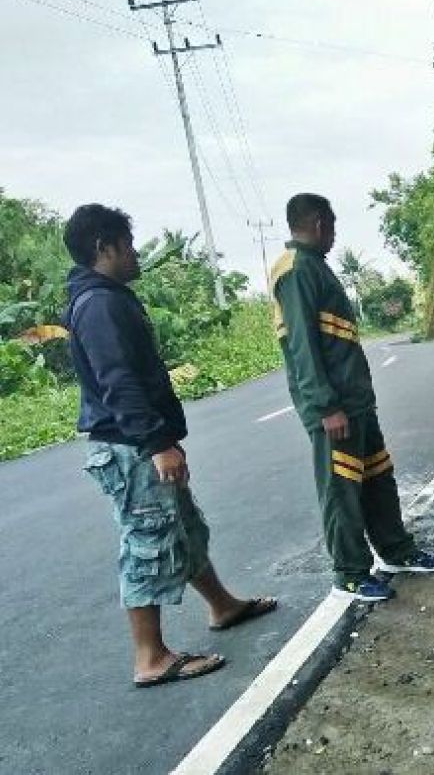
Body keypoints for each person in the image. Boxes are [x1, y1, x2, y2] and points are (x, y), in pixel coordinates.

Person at [64, 204, 277, 689]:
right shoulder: (99, 304)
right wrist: (158, 443)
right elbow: (116, 379)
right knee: (147, 543)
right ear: (105, 247)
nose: (136, 254)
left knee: (182, 527)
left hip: (139, 441)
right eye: (128, 244)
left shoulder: (106, 297)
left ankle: (222, 605)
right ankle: (151, 657)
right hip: (131, 446)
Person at [271, 193, 434, 602]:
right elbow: (302, 346)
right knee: (341, 489)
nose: (333, 235)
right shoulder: (295, 271)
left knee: (377, 479)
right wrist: (325, 405)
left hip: (356, 402)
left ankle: (396, 550)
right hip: (334, 407)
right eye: (331, 226)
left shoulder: (314, 266)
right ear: (317, 223)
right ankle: (349, 573)